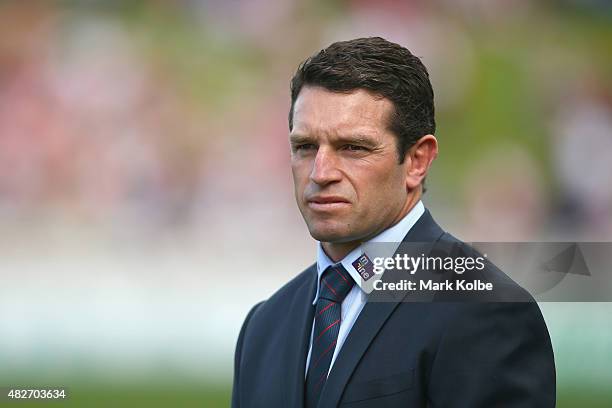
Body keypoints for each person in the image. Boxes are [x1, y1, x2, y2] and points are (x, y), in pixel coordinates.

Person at [231, 37, 555, 408]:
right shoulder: (265, 326)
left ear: (417, 161)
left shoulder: (485, 312)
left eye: (353, 148)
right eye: (305, 147)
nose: (320, 172)